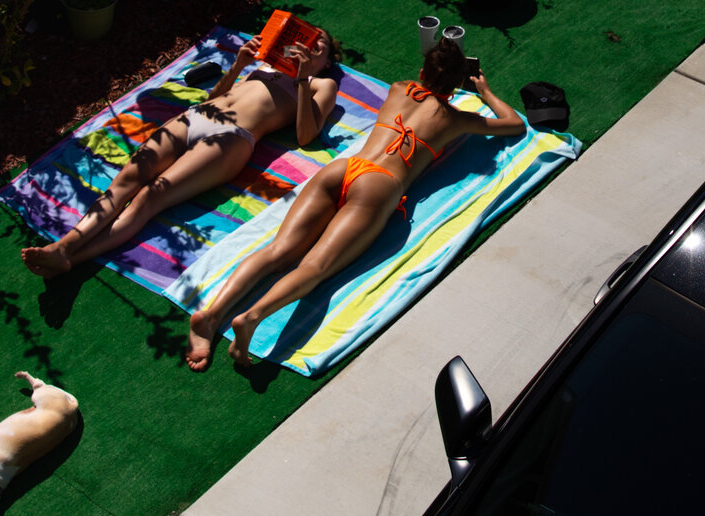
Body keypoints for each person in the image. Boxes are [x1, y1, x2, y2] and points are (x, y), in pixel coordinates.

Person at [187, 38, 524, 371]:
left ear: (422, 71)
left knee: (278, 251)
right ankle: (252, 316)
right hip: (379, 186)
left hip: (343, 169)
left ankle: (212, 315)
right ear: (456, 84)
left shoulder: (398, 88)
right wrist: (486, 92)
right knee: (314, 268)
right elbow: (514, 124)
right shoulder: (456, 118)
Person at [21, 31, 342, 278]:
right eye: (309, 37)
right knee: (123, 183)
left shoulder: (321, 83)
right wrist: (240, 66)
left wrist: (301, 77)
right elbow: (218, 96)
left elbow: (306, 135)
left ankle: (72, 260)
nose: (312, 45)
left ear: (327, 60)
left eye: (319, 45)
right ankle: (63, 245)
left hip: (231, 137)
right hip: (198, 116)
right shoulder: (268, 65)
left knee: (149, 197)